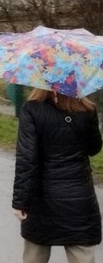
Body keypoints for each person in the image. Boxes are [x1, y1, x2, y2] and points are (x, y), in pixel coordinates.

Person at [13, 89, 102, 263]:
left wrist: (20, 202)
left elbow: (27, 159)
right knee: (82, 255)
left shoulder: (32, 110)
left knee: (35, 255)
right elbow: (94, 148)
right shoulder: (87, 109)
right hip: (79, 200)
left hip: (41, 200)